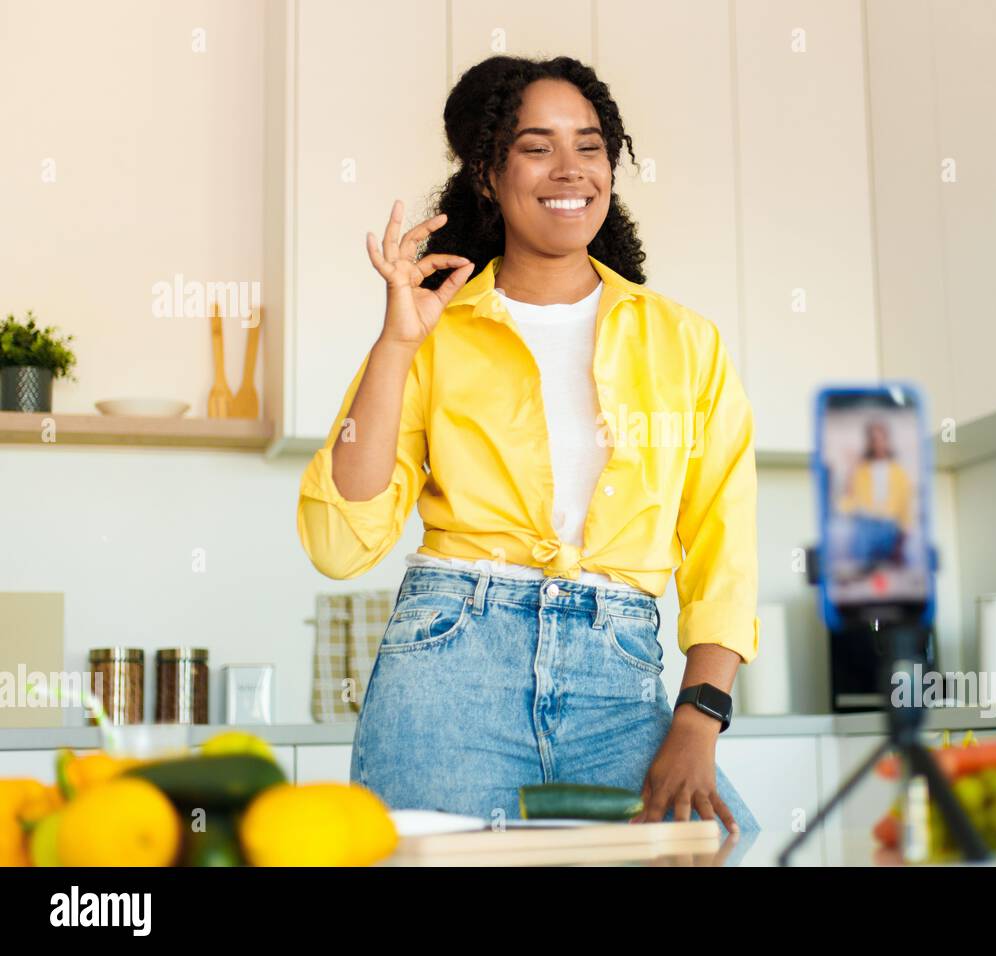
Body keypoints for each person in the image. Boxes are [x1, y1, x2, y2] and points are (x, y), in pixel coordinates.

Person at [296, 55, 760, 837]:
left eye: (590, 145)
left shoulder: (686, 343)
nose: (569, 169)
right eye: (536, 147)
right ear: (487, 172)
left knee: (718, 844)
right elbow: (340, 542)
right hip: (449, 670)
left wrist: (699, 717)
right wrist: (395, 345)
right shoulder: (433, 331)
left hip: (619, 680)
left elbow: (725, 547)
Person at [836, 419, 913, 571]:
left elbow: (905, 506)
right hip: (865, 524)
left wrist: (903, 533)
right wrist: (851, 469)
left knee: (895, 570)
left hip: (889, 525)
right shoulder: (860, 470)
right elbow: (847, 504)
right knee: (860, 568)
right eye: (873, 439)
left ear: (887, 440)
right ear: (869, 443)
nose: (877, 443)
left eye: (881, 439)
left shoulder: (899, 472)